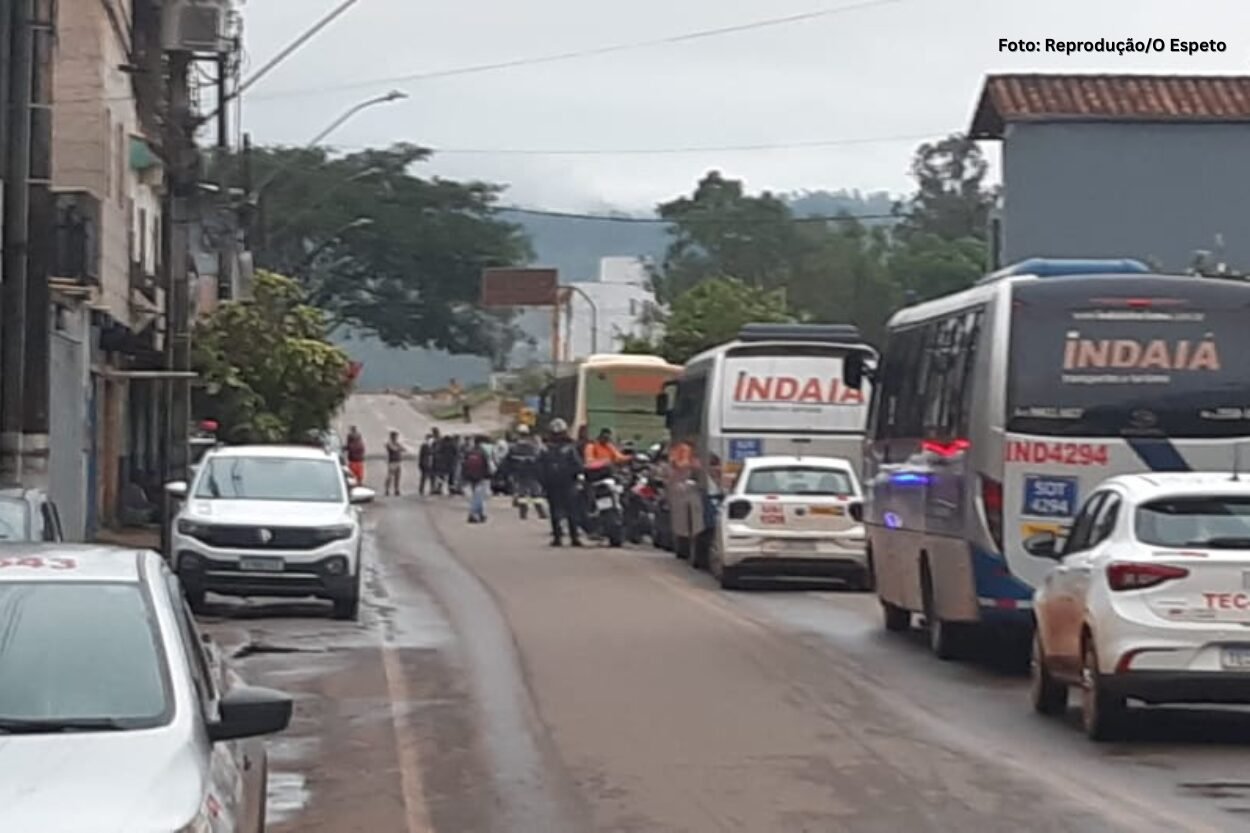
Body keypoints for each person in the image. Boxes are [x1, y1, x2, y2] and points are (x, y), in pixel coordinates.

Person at [539, 419, 583, 546]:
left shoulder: (548, 448)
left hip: (559, 484)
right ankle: (569, 537)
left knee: (560, 511)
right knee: (568, 511)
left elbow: (540, 467)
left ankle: (563, 537)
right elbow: (578, 465)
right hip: (562, 484)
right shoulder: (567, 448)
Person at [505, 424, 547, 520]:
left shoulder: (514, 447)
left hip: (520, 473)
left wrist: (508, 473)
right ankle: (541, 512)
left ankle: (523, 513)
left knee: (522, 493)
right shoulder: (533, 446)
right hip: (532, 472)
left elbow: (508, 461)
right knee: (536, 492)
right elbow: (540, 458)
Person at [462, 435, 493, 523]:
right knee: (478, 495)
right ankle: (473, 514)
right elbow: (486, 464)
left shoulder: (469, 451)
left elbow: (464, 464)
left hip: (470, 476)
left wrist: (464, 475)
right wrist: (488, 475)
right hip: (480, 476)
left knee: (477, 495)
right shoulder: (483, 452)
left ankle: (481, 513)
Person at [384, 430, 405, 496]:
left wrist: (399, 447)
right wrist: (399, 448)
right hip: (392, 462)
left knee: (397, 477)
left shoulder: (397, 443)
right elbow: (393, 449)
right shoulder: (389, 443)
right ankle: (387, 490)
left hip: (398, 461)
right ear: (392, 437)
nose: (396, 438)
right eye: (395, 436)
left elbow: (404, 449)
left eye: (397, 436)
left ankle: (396, 490)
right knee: (390, 477)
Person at [418, 432, 438, 496]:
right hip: (425, 463)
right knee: (424, 477)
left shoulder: (434, 445)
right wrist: (420, 464)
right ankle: (421, 490)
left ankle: (432, 489)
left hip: (432, 463)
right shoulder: (424, 446)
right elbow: (421, 455)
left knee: (433, 477)